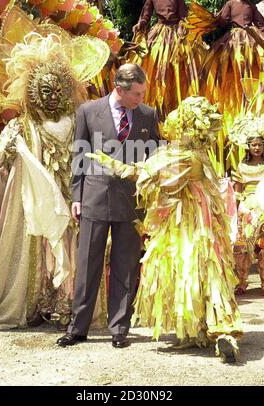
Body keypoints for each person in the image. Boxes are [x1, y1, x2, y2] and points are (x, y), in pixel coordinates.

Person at [0, 7, 110, 330]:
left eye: (58, 92)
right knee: (38, 251)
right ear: (33, 93)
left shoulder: (79, 122)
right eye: (45, 92)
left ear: (67, 91)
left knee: (70, 249)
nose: (51, 98)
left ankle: (69, 306)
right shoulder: (24, 126)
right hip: (37, 205)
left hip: (71, 199)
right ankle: (36, 304)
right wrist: (8, 150)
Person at [88, 97, 243, 363]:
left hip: (188, 226)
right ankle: (212, 330)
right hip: (201, 223)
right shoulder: (198, 154)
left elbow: (149, 175)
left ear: (184, 126)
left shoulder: (184, 157)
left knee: (191, 270)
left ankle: (219, 331)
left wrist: (113, 164)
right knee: (205, 272)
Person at [56, 63, 160, 348]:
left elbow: (154, 158)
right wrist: (76, 196)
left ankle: (119, 329)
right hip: (94, 196)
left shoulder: (148, 115)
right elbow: (80, 155)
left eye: (143, 93)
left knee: (126, 266)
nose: (141, 98)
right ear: (120, 89)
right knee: (88, 263)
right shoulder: (88, 111)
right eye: (137, 94)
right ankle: (77, 328)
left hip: (131, 201)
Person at [129, 0, 200, 117]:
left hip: (175, 35)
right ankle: (153, 102)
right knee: (154, 65)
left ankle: (174, 102)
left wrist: (182, 26)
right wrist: (140, 24)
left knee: (177, 66)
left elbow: (183, 17)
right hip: (159, 34)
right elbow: (145, 16)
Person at [229, 115, 264, 294]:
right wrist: (235, 212)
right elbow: (238, 192)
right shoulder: (241, 167)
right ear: (248, 146)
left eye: (259, 144)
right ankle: (241, 282)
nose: (256, 147)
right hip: (247, 209)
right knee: (242, 247)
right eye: (253, 144)